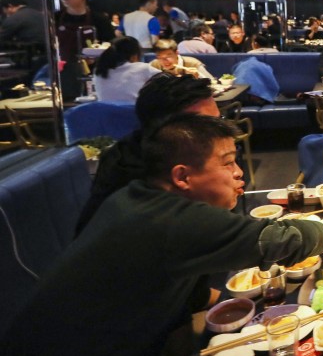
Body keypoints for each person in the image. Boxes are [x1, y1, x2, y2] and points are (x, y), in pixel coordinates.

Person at [1, 114, 323, 356]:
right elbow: (282, 239)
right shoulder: (169, 220)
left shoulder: (133, 199)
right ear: (182, 176)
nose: (239, 173)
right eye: (227, 162)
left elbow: (172, 291)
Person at [77, 74, 221, 233]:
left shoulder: (153, 147)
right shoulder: (137, 175)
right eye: (206, 126)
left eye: (218, 122)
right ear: (167, 129)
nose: (218, 133)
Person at [55, 0, 115, 99]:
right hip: (63, 70)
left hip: (94, 70)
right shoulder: (55, 18)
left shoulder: (99, 19)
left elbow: (111, 44)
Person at [92, 36, 161, 102]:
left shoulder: (98, 71)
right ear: (134, 55)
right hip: (133, 113)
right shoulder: (143, 68)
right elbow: (169, 81)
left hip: (106, 113)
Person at [150, 38, 215, 80]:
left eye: (168, 56)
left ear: (177, 53)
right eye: (160, 57)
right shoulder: (154, 65)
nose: (164, 61)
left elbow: (211, 83)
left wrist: (197, 77)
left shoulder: (192, 63)